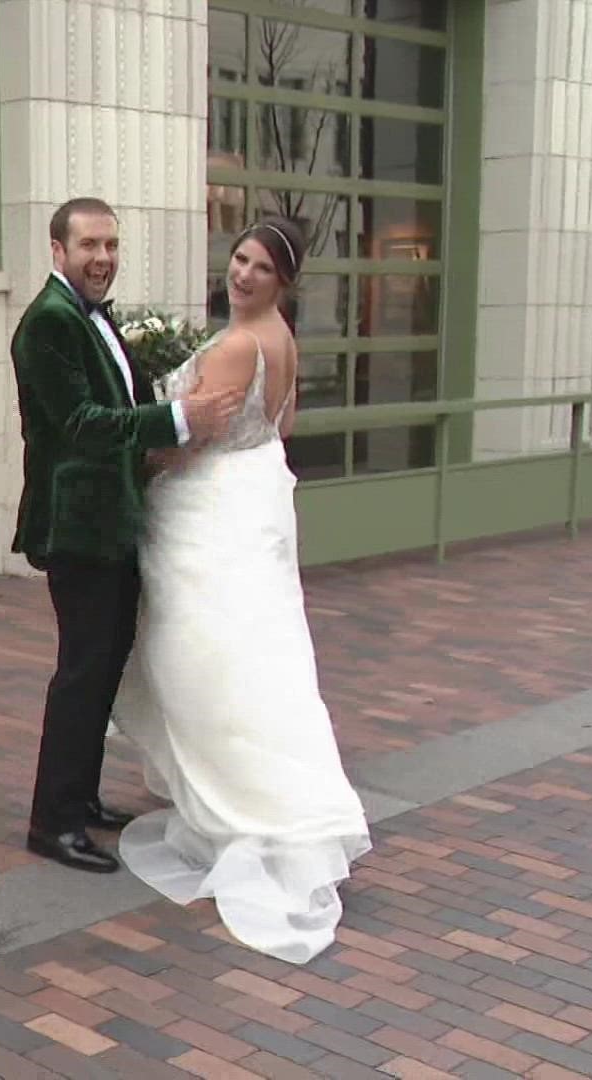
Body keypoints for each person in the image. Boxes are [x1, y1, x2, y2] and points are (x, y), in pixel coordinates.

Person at [112, 217, 372, 964]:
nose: (243, 274)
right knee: (260, 652)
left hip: (210, 513)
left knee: (203, 657)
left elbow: (192, 440)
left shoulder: (236, 345)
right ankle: (276, 784)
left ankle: (247, 801)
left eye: (260, 267)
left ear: (282, 281)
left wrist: (141, 464)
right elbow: (277, 427)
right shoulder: (284, 340)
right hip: (256, 503)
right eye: (239, 258)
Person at [9, 198, 245, 875]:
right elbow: (83, 422)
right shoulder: (49, 323)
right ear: (57, 251)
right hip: (76, 526)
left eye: (111, 244)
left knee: (105, 667)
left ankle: (79, 798)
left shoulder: (92, 316)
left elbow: (116, 405)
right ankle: (50, 823)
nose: (103, 258)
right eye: (89, 245)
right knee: (82, 674)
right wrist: (179, 418)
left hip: (111, 524)